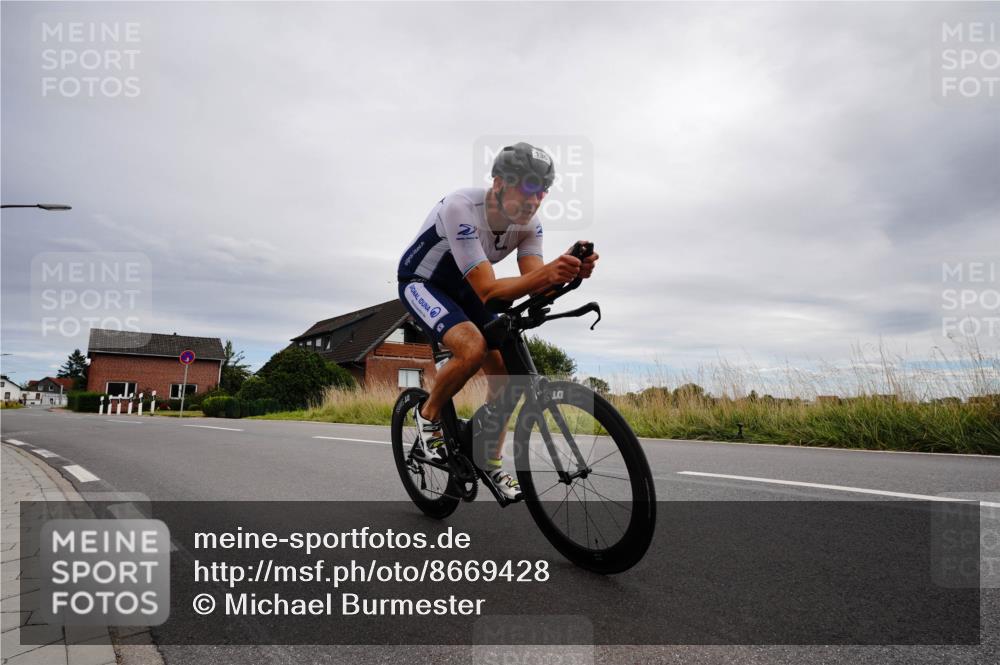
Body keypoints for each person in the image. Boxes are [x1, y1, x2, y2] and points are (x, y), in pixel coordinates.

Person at [397, 142, 598, 500]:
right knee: (471, 348)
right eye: (527, 186)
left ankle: (487, 456)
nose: (535, 199)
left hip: (469, 288)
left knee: (509, 376)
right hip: (424, 282)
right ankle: (428, 417)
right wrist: (549, 274)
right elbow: (490, 290)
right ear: (499, 183)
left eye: (543, 190)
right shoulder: (461, 207)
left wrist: (565, 273)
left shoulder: (529, 226)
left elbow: (534, 285)